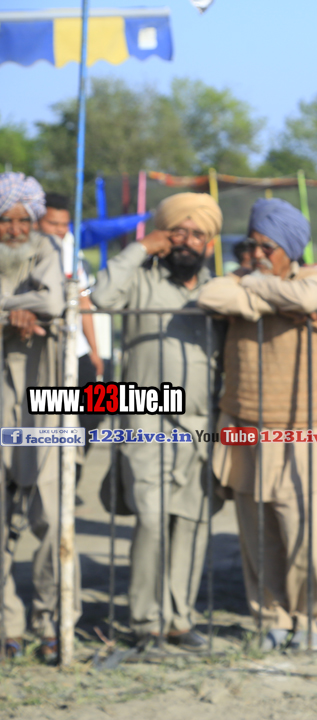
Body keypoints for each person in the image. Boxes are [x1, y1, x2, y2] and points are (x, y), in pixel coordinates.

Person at [199, 198, 317, 651]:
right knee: (256, 531)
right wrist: (268, 296)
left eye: (266, 247)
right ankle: (271, 619)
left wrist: (255, 292)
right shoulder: (236, 279)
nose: (256, 254)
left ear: (289, 249)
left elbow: (310, 298)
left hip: (299, 427)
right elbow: (209, 296)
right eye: (251, 245)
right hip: (243, 422)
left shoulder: (312, 278)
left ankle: (314, 620)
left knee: (303, 532)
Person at [91, 192, 224, 650]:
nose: (186, 240)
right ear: (164, 235)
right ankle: (146, 622)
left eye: (197, 234)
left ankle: (178, 620)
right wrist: (140, 248)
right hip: (144, 418)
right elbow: (101, 296)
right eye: (177, 231)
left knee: (190, 521)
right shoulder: (140, 280)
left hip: (200, 423)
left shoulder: (215, 290)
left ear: (209, 243)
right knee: (150, 518)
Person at [0, 172, 68, 662]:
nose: (16, 229)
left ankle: (52, 624)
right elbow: (36, 303)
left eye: (24, 219)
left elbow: (53, 301)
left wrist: (9, 311)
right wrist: (14, 314)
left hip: (45, 397)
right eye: (6, 220)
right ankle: (8, 625)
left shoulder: (48, 248)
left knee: (50, 515)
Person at [38, 193, 104, 382]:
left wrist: (94, 351)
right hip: (41, 348)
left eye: (64, 224)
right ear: (37, 222)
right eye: (53, 223)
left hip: (75, 347)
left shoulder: (71, 254)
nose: (60, 229)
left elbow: (83, 302)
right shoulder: (27, 255)